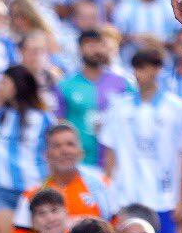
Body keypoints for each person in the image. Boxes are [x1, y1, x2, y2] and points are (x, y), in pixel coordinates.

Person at [98, 49, 182, 233]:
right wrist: (109, 195)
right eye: (136, 68)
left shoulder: (177, 108)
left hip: (165, 199)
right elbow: (109, 156)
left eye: (144, 68)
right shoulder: (119, 107)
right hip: (126, 198)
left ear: (157, 70)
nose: (139, 73)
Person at [11, 122, 112, 233]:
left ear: (80, 151)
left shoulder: (101, 185)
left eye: (70, 144)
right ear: (46, 154)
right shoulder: (31, 195)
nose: (64, 151)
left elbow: (116, 230)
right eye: (56, 146)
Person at [0, 65, 53, 227]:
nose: (0, 87)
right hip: (2, 190)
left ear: (17, 85)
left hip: (34, 189)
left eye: (4, 83)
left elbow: (51, 153)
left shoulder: (43, 119)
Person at [55, 29, 131, 168]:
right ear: (80, 49)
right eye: (90, 45)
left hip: (115, 163)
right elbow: (59, 124)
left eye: (100, 45)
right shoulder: (66, 86)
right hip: (79, 163)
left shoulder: (122, 84)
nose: (96, 50)